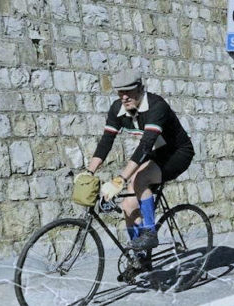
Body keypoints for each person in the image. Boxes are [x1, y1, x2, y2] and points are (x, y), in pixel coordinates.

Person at [75, 68, 194, 250]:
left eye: (129, 91)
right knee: (128, 205)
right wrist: (89, 172)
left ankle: (150, 233)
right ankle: (140, 259)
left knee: (140, 179)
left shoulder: (156, 106)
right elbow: (106, 141)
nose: (124, 97)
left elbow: (145, 145)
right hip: (156, 153)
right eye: (120, 92)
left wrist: (120, 180)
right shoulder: (118, 109)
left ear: (140, 88)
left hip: (178, 153)